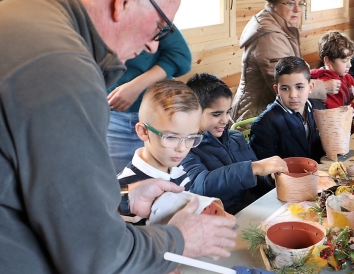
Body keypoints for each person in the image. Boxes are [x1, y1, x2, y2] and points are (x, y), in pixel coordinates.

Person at [0, 0, 237, 274]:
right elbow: (93, 254)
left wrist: (122, 196)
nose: (147, 48)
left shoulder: (22, 19)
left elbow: (29, 183)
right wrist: (180, 241)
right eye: (157, 29)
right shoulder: (62, 66)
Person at [232, 0, 337, 122]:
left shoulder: (280, 25)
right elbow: (287, 82)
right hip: (255, 118)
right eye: (290, 3)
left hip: (268, 113)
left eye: (301, 3)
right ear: (272, 3)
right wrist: (323, 87)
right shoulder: (269, 36)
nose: (297, 9)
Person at [182, 73, 288, 214]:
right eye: (216, 114)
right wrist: (252, 168)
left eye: (228, 112)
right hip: (221, 220)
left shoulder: (236, 138)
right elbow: (199, 185)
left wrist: (269, 177)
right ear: (193, 112)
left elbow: (256, 179)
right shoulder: (186, 147)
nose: (225, 120)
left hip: (253, 212)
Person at [106, 28, 192, 173]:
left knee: (167, 176)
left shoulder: (155, 18)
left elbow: (181, 56)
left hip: (158, 115)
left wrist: (136, 86)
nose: (152, 48)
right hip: (112, 117)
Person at [117, 80, 202, 223]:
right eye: (171, 137)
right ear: (143, 132)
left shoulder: (179, 169)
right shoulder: (124, 189)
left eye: (191, 137)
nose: (182, 148)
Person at [249, 56, 325, 162]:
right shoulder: (264, 125)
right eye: (285, 88)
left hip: (321, 173)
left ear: (310, 87)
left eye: (299, 87)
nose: (293, 95)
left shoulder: (320, 109)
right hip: (289, 177)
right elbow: (262, 170)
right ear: (276, 89)